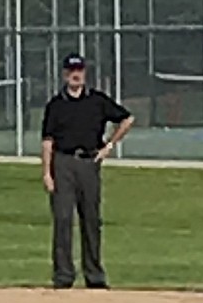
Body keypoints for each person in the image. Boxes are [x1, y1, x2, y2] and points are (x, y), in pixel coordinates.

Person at [40, 53, 134, 289]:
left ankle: (94, 275)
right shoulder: (56, 105)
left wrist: (109, 146)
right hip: (63, 162)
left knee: (91, 219)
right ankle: (63, 275)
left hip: (89, 162)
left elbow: (127, 119)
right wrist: (47, 173)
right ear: (64, 74)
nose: (76, 74)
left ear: (84, 73)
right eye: (71, 70)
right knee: (62, 219)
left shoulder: (97, 101)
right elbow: (47, 141)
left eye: (79, 70)